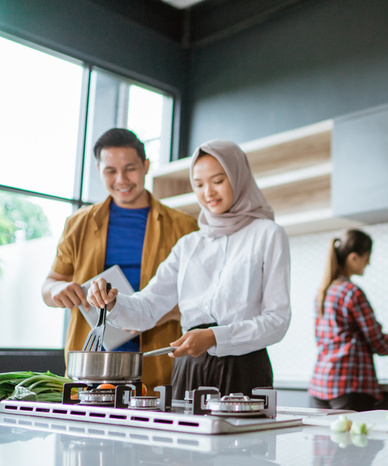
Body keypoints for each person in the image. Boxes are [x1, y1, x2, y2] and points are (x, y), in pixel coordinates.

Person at [87, 140, 291, 399]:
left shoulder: (268, 234)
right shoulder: (188, 245)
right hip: (189, 367)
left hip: (244, 366)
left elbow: (277, 321)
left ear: (239, 178)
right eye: (199, 184)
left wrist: (215, 336)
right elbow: (148, 307)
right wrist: (113, 303)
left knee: (246, 440)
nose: (209, 192)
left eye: (218, 180)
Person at [42, 128, 199, 393]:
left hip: (158, 368)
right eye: (110, 171)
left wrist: (155, 313)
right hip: (89, 370)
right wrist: (56, 290)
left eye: (130, 169)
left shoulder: (184, 226)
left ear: (146, 166)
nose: (121, 180)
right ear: (98, 169)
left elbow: (204, 301)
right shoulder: (77, 223)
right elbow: (49, 285)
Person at [309, 229, 388, 411]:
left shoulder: (324, 292)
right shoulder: (352, 292)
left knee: (325, 440)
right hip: (349, 387)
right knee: (355, 439)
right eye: (367, 257)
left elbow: (352, 335)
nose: (369, 263)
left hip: (320, 385)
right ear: (353, 258)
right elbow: (375, 340)